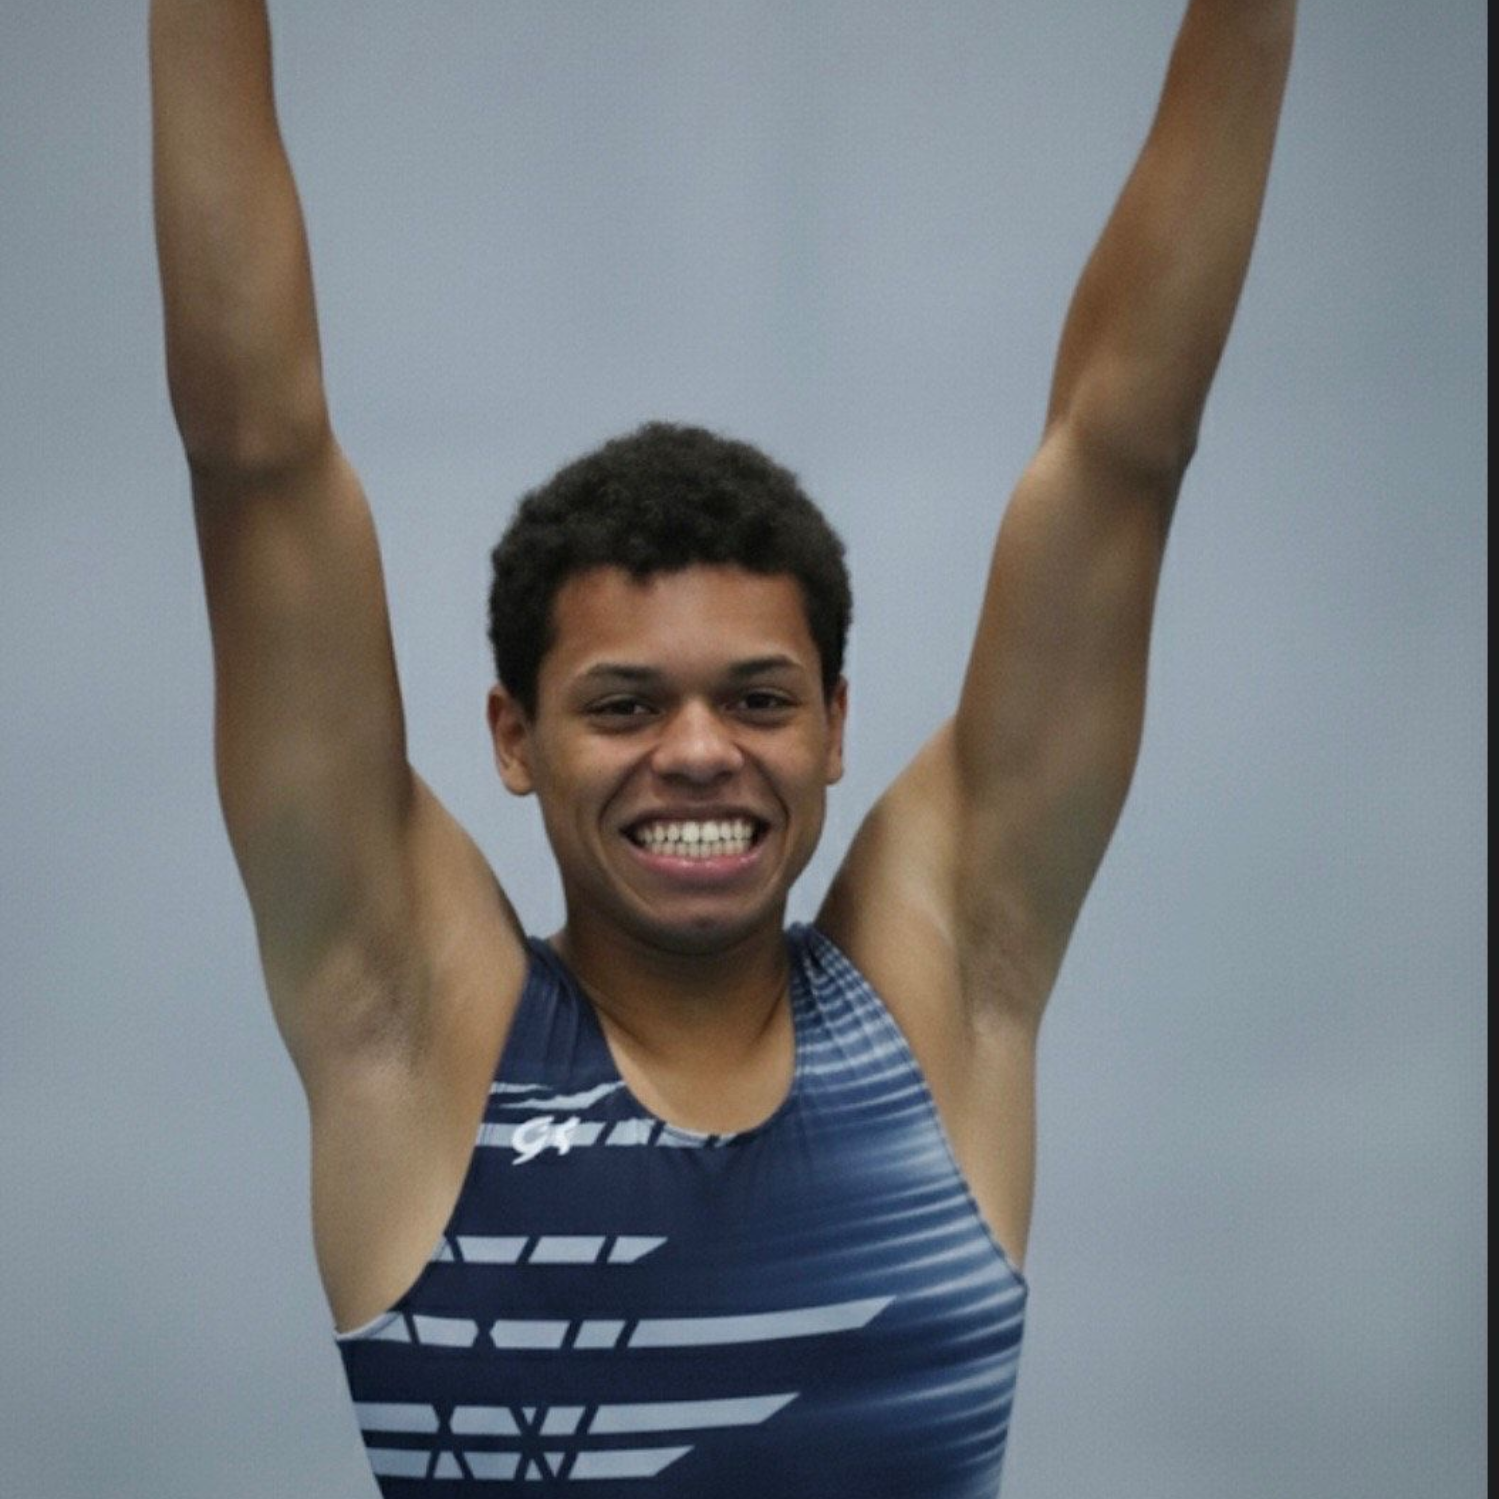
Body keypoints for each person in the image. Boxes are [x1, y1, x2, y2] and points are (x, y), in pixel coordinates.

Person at [150, 2, 1295, 1493]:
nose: (697, 753)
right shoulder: (412, 1026)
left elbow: (1125, 444)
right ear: (513, 736)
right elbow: (253, 450)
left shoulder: (948, 991)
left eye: (758, 700)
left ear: (834, 727)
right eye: (625, 705)